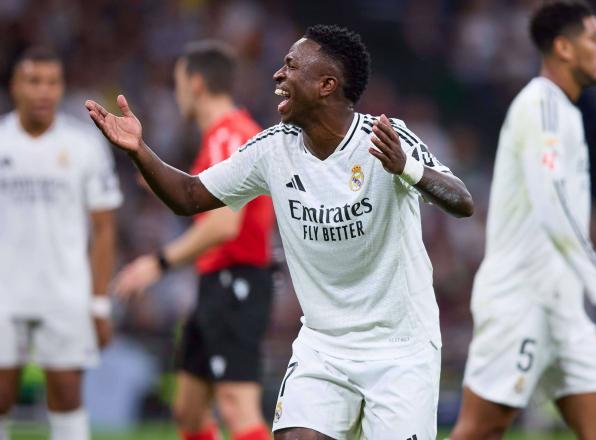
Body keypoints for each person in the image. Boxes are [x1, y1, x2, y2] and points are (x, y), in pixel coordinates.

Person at [86, 24, 474, 440]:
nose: (277, 75)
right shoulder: (273, 148)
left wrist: (406, 168)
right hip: (324, 345)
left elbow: (462, 201)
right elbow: (189, 195)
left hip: (400, 347)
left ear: (327, 84)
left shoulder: (383, 139)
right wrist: (139, 151)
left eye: (291, 66)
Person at [450, 2, 596, 439]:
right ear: (563, 47)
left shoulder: (566, 112)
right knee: (482, 428)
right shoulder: (542, 106)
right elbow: (551, 203)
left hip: (562, 303)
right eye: (595, 38)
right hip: (521, 298)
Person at [113, 41, 274, 440]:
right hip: (217, 284)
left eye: (178, 82)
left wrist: (157, 263)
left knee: (237, 406)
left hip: (235, 281)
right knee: (188, 408)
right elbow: (210, 204)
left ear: (197, 83)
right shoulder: (227, 136)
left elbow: (223, 226)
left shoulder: (227, 137)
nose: (177, 92)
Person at [0, 47, 122, 440]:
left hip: (65, 291)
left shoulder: (85, 145)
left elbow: (104, 227)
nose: (43, 92)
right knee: (0, 395)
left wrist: (99, 302)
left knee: (67, 394)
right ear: (14, 86)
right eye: (34, 81)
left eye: (52, 83)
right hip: (4, 290)